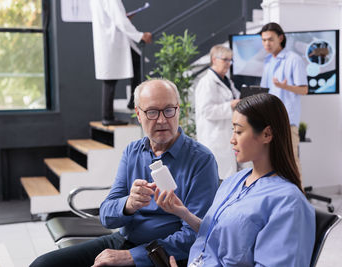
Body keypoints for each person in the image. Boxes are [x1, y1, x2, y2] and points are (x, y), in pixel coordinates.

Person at [30, 79, 219, 267]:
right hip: (123, 240)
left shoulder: (201, 160)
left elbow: (194, 234)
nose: (162, 120)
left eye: (169, 110)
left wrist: (132, 256)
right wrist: (128, 204)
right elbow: (106, 215)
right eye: (152, 112)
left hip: (163, 254)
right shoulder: (133, 151)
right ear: (138, 113)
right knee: (43, 264)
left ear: (179, 110)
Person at [156, 93, 316, 266]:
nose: (232, 140)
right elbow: (218, 234)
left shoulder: (288, 202)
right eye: (233, 131)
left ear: (267, 134)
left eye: (239, 131)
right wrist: (184, 213)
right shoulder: (234, 181)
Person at [90, 0, 152, 126]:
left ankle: (131, 102)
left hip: (108, 39)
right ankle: (108, 116)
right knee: (110, 79)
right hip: (112, 40)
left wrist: (124, 17)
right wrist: (139, 36)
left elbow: (113, 16)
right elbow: (119, 20)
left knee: (133, 65)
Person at [260, 22, 308, 176]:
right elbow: (264, 91)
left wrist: (284, 86)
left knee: (291, 163)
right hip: (268, 123)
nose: (267, 44)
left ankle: (298, 199)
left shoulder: (294, 59)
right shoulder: (268, 61)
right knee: (271, 165)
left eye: (270, 39)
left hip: (287, 122)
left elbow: (304, 89)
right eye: (264, 40)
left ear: (280, 38)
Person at [195, 44, 240, 179]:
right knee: (217, 178)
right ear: (214, 59)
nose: (228, 64)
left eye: (230, 60)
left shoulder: (227, 81)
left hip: (226, 137)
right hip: (214, 138)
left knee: (228, 176)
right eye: (225, 60)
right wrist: (230, 105)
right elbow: (207, 111)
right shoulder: (207, 82)